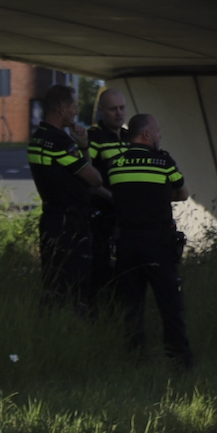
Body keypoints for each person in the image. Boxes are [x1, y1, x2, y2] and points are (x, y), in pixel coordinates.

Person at [106, 113, 192, 367]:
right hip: (158, 243)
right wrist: (159, 197)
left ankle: (134, 360)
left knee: (131, 306)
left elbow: (118, 195)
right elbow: (183, 192)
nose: (160, 135)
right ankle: (180, 361)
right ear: (146, 134)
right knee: (171, 305)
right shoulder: (163, 162)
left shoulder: (116, 164)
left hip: (126, 244)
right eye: (157, 131)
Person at [27, 84, 106, 314]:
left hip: (50, 220)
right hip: (70, 225)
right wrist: (84, 147)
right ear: (62, 108)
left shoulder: (38, 138)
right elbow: (95, 179)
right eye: (74, 106)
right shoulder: (61, 143)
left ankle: (51, 328)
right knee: (75, 287)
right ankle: (74, 330)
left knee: (53, 283)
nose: (76, 111)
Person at [85, 88, 128, 307]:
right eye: (113, 109)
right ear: (102, 111)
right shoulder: (94, 138)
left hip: (129, 218)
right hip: (104, 217)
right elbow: (86, 177)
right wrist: (111, 197)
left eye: (122, 108)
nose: (119, 113)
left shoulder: (131, 137)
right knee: (101, 270)